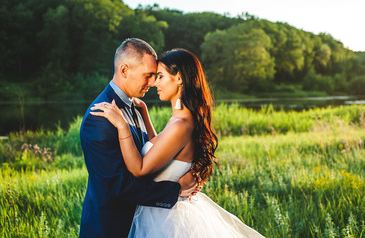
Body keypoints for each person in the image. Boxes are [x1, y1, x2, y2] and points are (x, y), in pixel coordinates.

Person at [91, 48, 265, 237]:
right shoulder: (179, 118)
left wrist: (123, 127)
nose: (154, 83)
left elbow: (139, 169)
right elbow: (161, 150)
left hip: (165, 221)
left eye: (160, 76)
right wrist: (146, 117)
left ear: (179, 78)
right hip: (160, 213)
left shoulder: (181, 124)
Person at [79, 39, 198, 238]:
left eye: (156, 76)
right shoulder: (100, 117)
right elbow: (118, 186)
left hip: (143, 224)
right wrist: (175, 190)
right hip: (109, 229)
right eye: (148, 75)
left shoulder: (136, 106)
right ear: (124, 70)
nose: (152, 83)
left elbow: (155, 153)